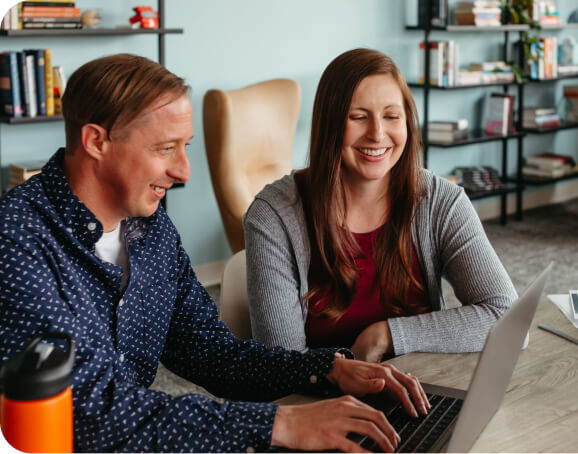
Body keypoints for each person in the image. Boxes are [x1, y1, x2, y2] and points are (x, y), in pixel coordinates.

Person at [0, 54, 430, 453]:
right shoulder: (16, 240)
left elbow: (211, 352)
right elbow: (86, 413)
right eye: (165, 148)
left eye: (185, 147)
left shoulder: (152, 232)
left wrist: (326, 369)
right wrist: (278, 424)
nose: (183, 170)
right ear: (96, 141)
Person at [244, 48, 517, 363]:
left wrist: (387, 335)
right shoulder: (273, 216)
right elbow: (281, 367)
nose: (377, 134)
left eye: (391, 116)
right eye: (358, 117)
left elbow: (506, 318)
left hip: (419, 392)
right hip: (319, 405)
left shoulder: (441, 201)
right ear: (329, 124)